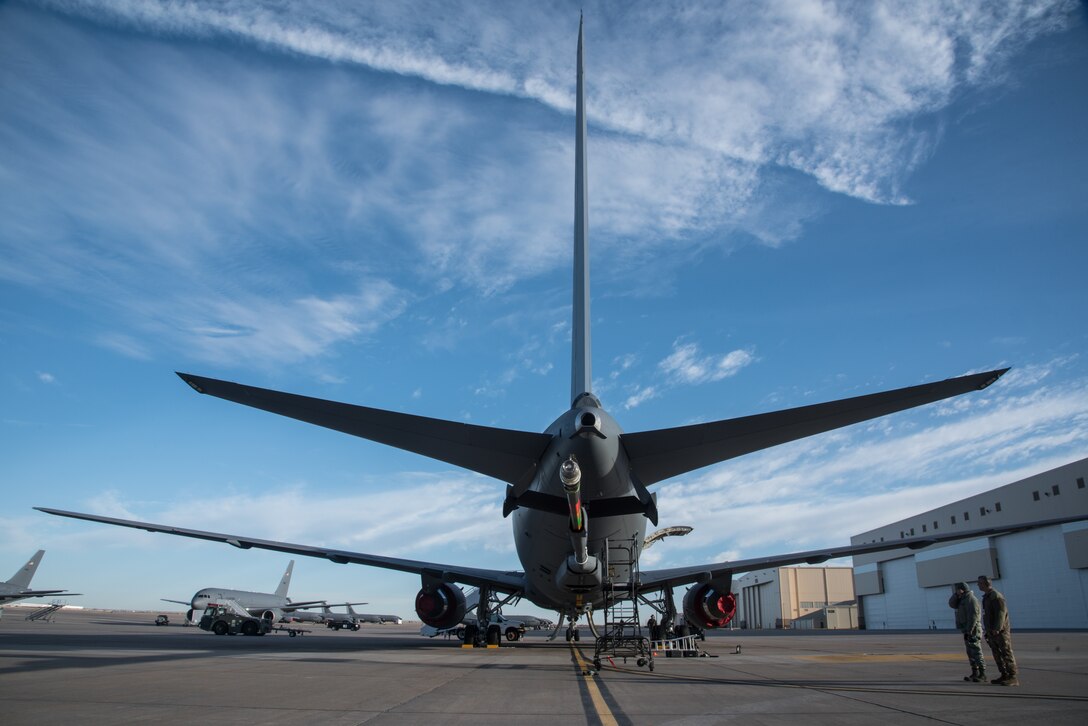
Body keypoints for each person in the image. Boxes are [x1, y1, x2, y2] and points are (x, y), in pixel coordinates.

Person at [977, 575, 1019, 686]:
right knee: (997, 654)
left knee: (1006, 653)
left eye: (980, 583)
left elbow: (1001, 613)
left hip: (1000, 631)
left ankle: (1013, 677)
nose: (978, 585)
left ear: (986, 584)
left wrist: (997, 628)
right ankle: (1004, 674)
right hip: (991, 631)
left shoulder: (996, 596)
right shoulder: (987, 596)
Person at [948, 582, 986, 682]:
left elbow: (973, 616)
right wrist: (956, 595)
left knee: (976, 651)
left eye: (957, 590)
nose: (955, 591)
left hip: (973, 629)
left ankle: (983, 674)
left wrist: (970, 630)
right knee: (970, 652)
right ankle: (975, 672)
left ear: (962, 589)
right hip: (967, 629)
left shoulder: (971, 600)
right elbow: (952, 604)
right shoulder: (962, 599)